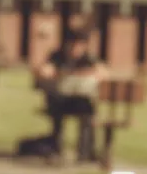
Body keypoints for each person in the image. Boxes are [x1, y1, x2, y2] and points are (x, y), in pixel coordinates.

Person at [34, 29, 107, 161]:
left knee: (87, 111)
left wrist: (84, 74)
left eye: (79, 45)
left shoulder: (88, 58)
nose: (75, 49)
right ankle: (56, 148)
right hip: (60, 101)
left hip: (79, 102)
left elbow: (102, 72)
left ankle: (85, 152)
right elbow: (44, 70)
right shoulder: (57, 56)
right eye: (72, 45)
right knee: (57, 110)